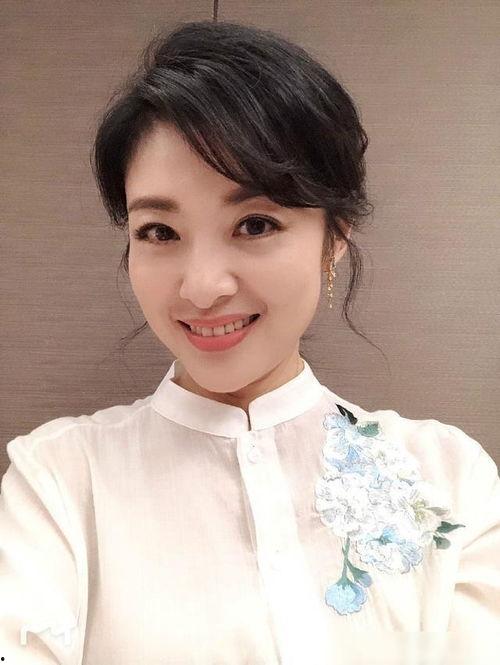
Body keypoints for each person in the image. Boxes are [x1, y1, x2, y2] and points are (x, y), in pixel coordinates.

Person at [1, 19, 499, 665]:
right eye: (159, 232)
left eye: (255, 224)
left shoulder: (450, 478)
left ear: (334, 238)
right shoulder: (59, 481)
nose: (202, 287)